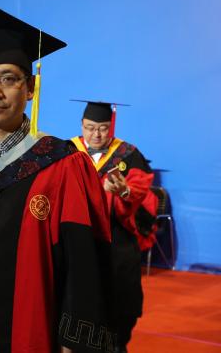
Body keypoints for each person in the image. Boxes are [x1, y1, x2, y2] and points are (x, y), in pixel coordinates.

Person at [0, 9, 115, 352]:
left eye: (8, 79)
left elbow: (85, 263)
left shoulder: (63, 164)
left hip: (31, 335)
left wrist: (73, 342)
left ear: (30, 88)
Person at [71, 101, 157, 352]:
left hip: (116, 243)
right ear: (81, 125)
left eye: (103, 128)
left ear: (112, 126)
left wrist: (124, 191)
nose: (96, 135)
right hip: (78, 239)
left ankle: (116, 346)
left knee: (120, 302)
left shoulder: (128, 154)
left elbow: (140, 191)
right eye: (90, 128)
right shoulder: (68, 151)